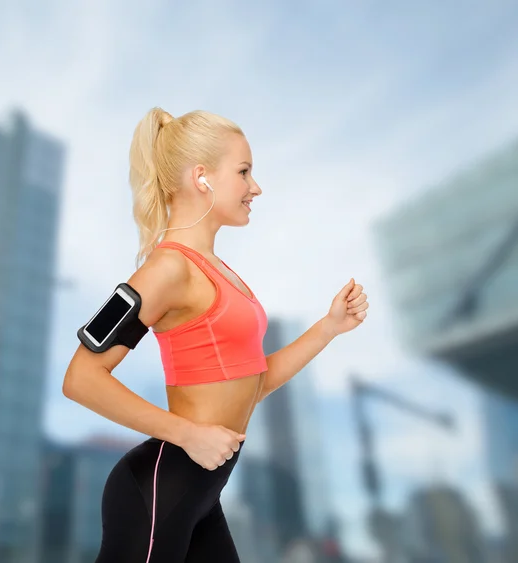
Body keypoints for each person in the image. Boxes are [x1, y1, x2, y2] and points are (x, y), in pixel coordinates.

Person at [62, 107, 369, 562]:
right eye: (244, 172)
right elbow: (81, 378)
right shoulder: (167, 269)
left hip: (201, 494)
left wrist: (327, 329)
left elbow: (253, 383)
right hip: (156, 492)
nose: (256, 187)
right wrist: (188, 434)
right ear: (201, 177)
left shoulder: (224, 275)